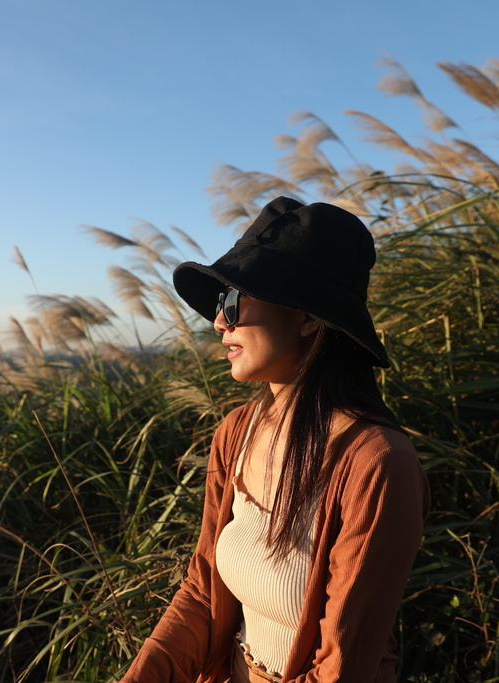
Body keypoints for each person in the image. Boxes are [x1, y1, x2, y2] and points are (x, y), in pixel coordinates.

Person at [120, 196, 429, 683]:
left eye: (234, 300)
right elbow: (203, 592)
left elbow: (341, 669)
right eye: (220, 301)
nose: (220, 321)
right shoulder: (237, 432)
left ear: (309, 318)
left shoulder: (376, 464)